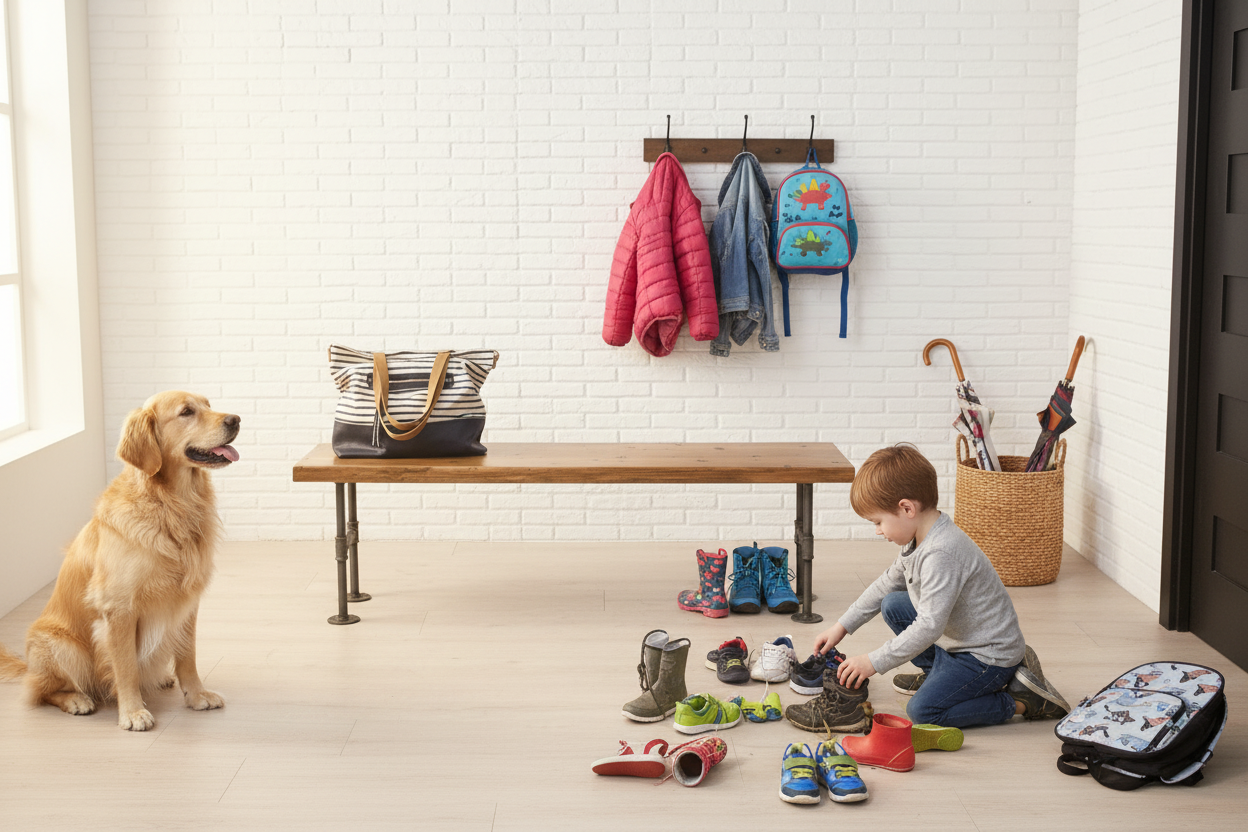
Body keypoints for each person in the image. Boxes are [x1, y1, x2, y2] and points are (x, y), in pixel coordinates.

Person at [812, 444, 1069, 729]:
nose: (878, 531)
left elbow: (928, 627)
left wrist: (874, 661)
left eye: (878, 522)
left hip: (986, 657)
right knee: (894, 604)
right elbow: (888, 583)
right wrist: (842, 626)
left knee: (923, 711)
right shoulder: (918, 537)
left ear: (907, 508)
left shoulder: (941, 553)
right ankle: (938, 673)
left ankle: (1023, 700)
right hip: (959, 639)